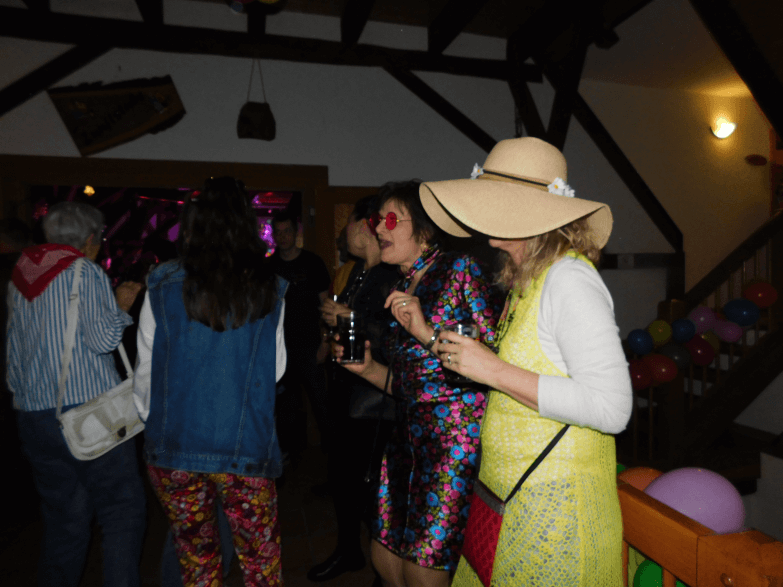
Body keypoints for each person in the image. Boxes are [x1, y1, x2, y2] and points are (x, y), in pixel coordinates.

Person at [418, 137, 633, 586]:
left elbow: (612, 407)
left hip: (556, 513)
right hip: (509, 499)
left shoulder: (569, 278)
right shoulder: (528, 279)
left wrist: (492, 369)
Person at [334, 180, 502, 587]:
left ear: (424, 229)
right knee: (385, 559)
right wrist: (368, 370)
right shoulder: (399, 286)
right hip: (404, 440)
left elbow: (493, 358)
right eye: (377, 220)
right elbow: (410, 384)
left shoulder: (459, 269)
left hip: (452, 443)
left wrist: (426, 333)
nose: (378, 228)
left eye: (391, 219)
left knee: (422, 571)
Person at [134, 177, 287, 586]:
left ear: (191, 224)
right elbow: (275, 370)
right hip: (244, 446)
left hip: (174, 446)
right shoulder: (269, 286)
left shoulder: (161, 282)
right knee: (260, 565)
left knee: (197, 563)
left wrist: (157, 423)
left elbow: (146, 369)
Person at [6, 202, 146, 587]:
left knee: (64, 520)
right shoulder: (84, 271)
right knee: (122, 513)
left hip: (34, 415)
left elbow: (13, 352)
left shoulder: (22, 274)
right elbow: (102, 340)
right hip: (89, 415)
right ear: (89, 239)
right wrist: (121, 306)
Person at [308, 195, 399, 582]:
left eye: (349, 223)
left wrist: (350, 318)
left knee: (371, 491)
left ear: (364, 225)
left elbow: (395, 340)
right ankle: (350, 552)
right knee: (345, 483)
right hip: (349, 394)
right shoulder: (360, 271)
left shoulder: (392, 276)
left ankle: (384, 569)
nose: (343, 232)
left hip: (374, 404)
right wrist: (337, 322)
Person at [269, 210, 332, 461]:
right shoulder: (268, 266)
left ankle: (332, 456)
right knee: (286, 406)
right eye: (278, 232)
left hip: (310, 344)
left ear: (296, 233)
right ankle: (292, 457)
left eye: (287, 231)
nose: (283, 236)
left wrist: (325, 342)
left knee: (321, 402)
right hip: (280, 348)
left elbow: (326, 305)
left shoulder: (312, 262)